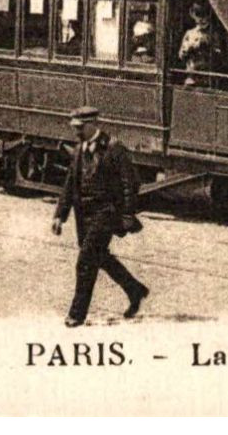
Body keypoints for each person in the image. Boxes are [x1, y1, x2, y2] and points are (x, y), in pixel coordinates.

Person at [52, 107, 149, 327]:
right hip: (83, 215)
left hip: (106, 213)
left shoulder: (114, 149)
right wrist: (60, 216)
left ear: (93, 124)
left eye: (80, 128)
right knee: (99, 256)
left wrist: (126, 213)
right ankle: (135, 289)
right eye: (74, 128)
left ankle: (77, 314)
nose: (76, 132)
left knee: (85, 262)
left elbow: (130, 183)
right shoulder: (79, 150)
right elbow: (70, 185)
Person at [177, 4, 223, 84]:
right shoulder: (190, 33)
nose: (201, 20)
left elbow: (219, 55)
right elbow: (181, 55)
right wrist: (188, 48)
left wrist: (206, 47)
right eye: (198, 17)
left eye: (203, 16)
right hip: (192, 77)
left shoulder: (213, 34)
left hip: (207, 77)